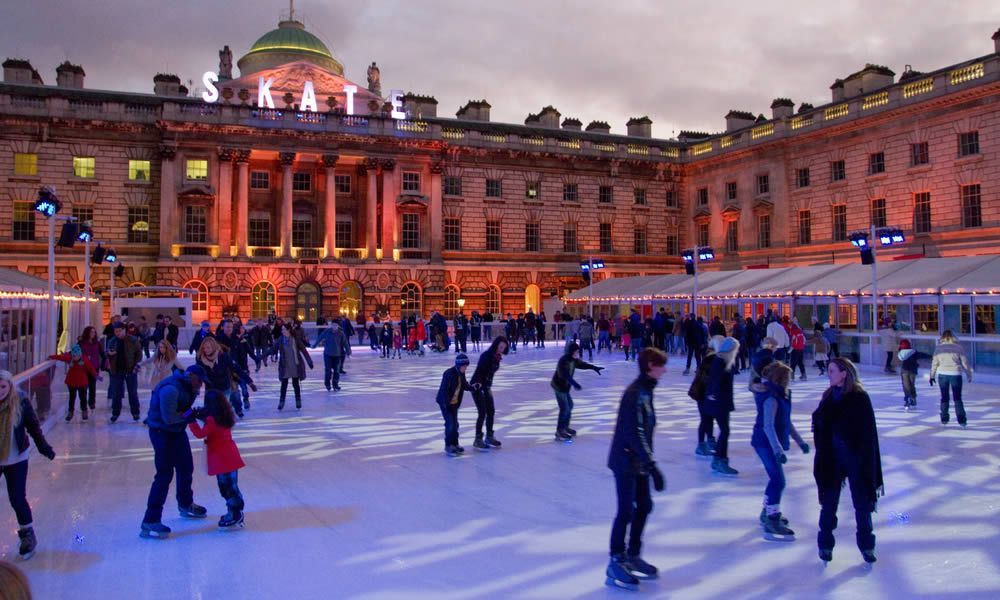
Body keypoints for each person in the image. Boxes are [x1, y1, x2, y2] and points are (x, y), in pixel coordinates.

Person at [605, 348, 667, 590]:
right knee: (625, 511)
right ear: (650, 365)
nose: (665, 370)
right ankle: (616, 561)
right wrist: (652, 466)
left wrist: (647, 462)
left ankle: (633, 554)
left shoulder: (646, 390)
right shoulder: (635, 393)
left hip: (638, 460)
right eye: (661, 365)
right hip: (625, 461)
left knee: (644, 505)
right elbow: (635, 432)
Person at [812, 358, 883, 563]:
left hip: (855, 458)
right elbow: (820, 421)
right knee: (829, 503)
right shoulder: (828, 396)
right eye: (829, 370)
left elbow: (866, 431)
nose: (829, 374)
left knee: (862, 504)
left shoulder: (860, 398)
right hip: (831, 458)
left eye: (832, 371)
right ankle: (825, 545)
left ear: (844, 373)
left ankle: (867, 546)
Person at [140, 365, 209, 539]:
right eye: (199, 381)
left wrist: (196, 413)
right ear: (190, 376)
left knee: (186, 467)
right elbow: (169, 418)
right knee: (164, 474)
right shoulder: (170, 389)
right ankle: (150, 519)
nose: (201, 385)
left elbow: (183, 412)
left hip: (176, 431)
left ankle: (185, 504)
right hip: (161, 432)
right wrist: (191, 416)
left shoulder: (190, 388)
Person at [750, 361, 810, 541]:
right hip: (765, 443)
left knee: (775, 479)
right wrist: (777, 450)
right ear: (781, 379)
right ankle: (772, 519)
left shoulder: (781, 395)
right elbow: (768, 426)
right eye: (788, 378)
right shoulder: (771, 398)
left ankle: (767, 511)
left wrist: (800, 441)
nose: (790, 381)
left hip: (768, 443)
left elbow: (786, 422)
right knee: (778, 480)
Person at [0, 371, 56, 559]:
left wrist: (43, 446)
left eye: (3, 387)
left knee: (17, 498)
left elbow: (32, 426)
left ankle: (28, 535)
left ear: (10, 386)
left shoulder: (21, 401)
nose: (0, 391)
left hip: (16, 459)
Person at [188, 391, 246, 530]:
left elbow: (200, 434)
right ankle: (235, 510)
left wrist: (191, 420)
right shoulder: (225, 416)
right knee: (232, 486)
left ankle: (235, 513)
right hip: (231, 456)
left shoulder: (212, 420)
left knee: (226, 487)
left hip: (221, 458)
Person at [550, 341, 604, 441]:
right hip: (559, 387)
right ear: (572, 352)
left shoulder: (573, 360)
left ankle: (565, 427)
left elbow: (582, 364)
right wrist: (574, 384)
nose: (578, 353)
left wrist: (593, 367)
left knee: (570, 406)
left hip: (565, 388)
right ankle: (560, 431)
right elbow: (564, 375)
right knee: (565, 408)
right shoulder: (563, 360)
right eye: (577, 352)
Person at [705, 337, 740, 476]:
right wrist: (713, 395)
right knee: (725, 431)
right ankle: (720, 460)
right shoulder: (721, 362)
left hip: (720, 401)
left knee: (725, 431)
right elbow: (715, 381)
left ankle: (718, 459)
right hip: (719, 403)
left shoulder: (723, 360)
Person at [470, 337, 508, 451]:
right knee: (482, 412)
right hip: (477, 386)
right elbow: (480, 372)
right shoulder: (486, 356)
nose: (502, 349)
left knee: (491, 411)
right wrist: (480, 387)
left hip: (486, 386)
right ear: (496, 345)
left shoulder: (497, 357)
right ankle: (478, 439)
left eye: (503, 348)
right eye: (500, 347)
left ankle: (489, 437)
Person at [929, 331, 973, 426]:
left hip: (942, 375)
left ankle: (944, 419)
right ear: (953, 337)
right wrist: (969, 375)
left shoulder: (938, 348)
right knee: (957, 398)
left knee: (944, 397)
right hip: (955, 374)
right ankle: (962, 421)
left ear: (942, 337)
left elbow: (934, 363)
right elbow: (965, 363)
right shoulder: (958, 347)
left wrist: (932, 376)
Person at [436, 353, 476, 456]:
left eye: (466, 366)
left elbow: (464, 384)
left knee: (455, 424)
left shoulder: (461, 373)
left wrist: (473, 387)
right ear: (458, 365)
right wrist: (446, 405)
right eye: (464, 366)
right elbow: (444, 390)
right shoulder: (448, 373)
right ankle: (449, 445)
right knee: (450, 424)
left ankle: (455, 444)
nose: (465, 368)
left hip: (454, 403)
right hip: (445, 403)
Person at [48, 344, 97, 422]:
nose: (75, 358)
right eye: (74, 356)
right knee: (72, 397)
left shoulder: (85, 360)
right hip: (71, 382)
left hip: (82, 382)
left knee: (83, 397)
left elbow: (90, 368)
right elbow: (61, 357)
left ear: (80, 355)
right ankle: (70, 412)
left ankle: (84, 411)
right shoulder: (69, 358)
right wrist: (51, 356)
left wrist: (96, 376)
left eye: (77, 356)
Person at [107, 323, 142, 423]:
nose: (117, 333)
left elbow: (139, 353)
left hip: (130, 370)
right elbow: (107, 352)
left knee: (132, 392)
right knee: (116, 393)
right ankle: (115, 413)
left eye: (119, 331)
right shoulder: (112, 340)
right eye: (115, 331)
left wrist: (136, 365)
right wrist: (109, 353)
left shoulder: (133, 340)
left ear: (124, 330)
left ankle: (135, 412)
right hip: (116, 370)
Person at [273, 324, 313, 410]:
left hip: (295, 365)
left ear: (288, 330)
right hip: (285, 366)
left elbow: (304, 350)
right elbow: (272, 349)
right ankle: (281, 402)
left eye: (284, 329)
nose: (282, 331)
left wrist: (309, 362)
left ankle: (298, 400)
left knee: (296, 384)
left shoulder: (295, 339)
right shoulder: (281, 339)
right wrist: (260, 357)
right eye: (282, 329)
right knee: (284, 385)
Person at [314, 322, 350, 391]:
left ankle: (335, 385)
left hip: (337, 355)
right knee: (328, 370)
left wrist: (348, 352)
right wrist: (314, 345)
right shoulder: (327, 332)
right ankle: (327, 384)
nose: (334, 326)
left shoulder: (341, 333)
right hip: (328, 354)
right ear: (331, 325)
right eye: (333, 325)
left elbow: (345, 343)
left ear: (338, 326)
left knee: (336, 371)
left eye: (336, 325)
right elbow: (320, 338)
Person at [897, 339, 931, 411]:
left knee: (906, 386)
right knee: (912, 385)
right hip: (912, 371)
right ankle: (913, 398)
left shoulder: (900, 353)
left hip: (904, 371)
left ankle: (908, 400)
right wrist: (931, 356)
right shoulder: (913, 352)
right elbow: (922, 355)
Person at [78, 326, 104, 412]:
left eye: (94, 332)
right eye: (91, 332)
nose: (93, 333)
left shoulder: (97, 343)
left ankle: (92, 402)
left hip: (94, 367)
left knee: (92, 386)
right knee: (83, 387)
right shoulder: (81, 343)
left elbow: (102, 353)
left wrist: (106, 360)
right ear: (87, 333)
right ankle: (83, 406)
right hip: (84, 368)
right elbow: (75, 352)